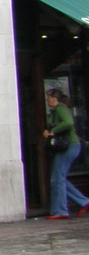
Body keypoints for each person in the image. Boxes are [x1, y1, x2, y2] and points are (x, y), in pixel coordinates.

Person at [43, 88, 85, 219]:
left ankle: (60, 210)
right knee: (58, 178)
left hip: (69, 146)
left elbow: (68, 122)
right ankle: (83, 201)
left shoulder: (61, 108)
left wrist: (53, 131)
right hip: (66, 147)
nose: (47, 99)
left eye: (48, 97)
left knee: (57, 179)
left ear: (54, 99)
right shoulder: (55, 111)